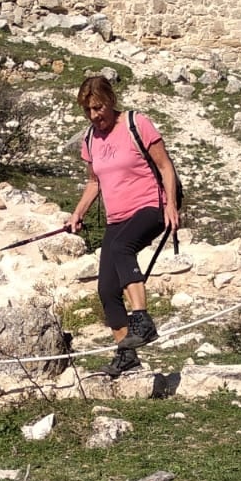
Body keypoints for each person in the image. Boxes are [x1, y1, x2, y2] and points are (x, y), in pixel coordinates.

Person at [68, 77, 181, 379]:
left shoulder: (136, 123)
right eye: (88, 110)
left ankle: (142, 320)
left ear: (111, 101)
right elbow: (94, 182)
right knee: (107, 289)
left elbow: (165, 166)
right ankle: (126, 355)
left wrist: (171, 204)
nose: (94, 116)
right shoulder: (90, 139)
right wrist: (77, 213)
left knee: (121, 248)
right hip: (116, 218)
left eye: (98, 108)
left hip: (150, 206)